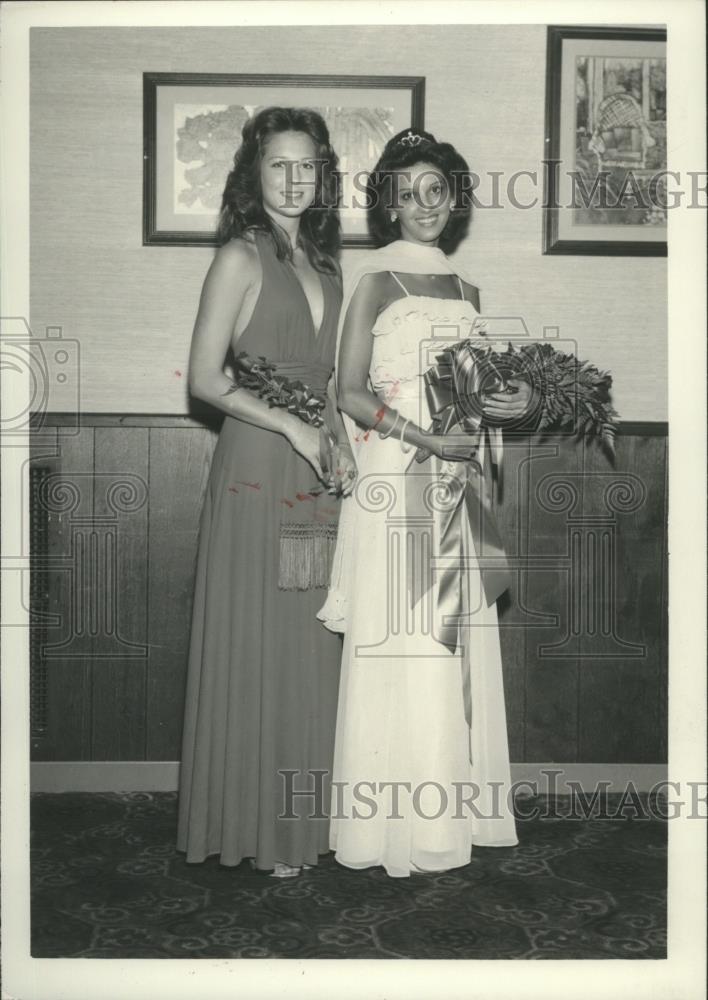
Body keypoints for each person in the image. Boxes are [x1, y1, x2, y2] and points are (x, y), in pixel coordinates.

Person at [318, 127, 531, 877]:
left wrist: (509, 402)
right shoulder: (373, 279)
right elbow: (344, 391)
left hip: (455, 484)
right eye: (407, 193)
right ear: (389, 204)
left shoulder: (469, 293)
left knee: (450, 644)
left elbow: (480, 401)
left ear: (455, 194)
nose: (424, 204)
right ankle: (384, 830)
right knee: (403, 642)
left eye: (436, 188)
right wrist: (424, 439)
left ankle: (443, 825)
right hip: (396, 475)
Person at [177, 107, 356, 878]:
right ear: (254, 174)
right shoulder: (239, 257)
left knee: (307, 639)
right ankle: (254, 829)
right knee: (260, 638)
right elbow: (205, 379)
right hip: (258, 467)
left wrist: (336, 440)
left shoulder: (325, 264)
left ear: (323, 176)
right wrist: (292, 429)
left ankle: (302, 825)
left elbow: (329, 386)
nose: (293, 178)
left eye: (307, 164)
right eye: (278, 163)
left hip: (315, 473)